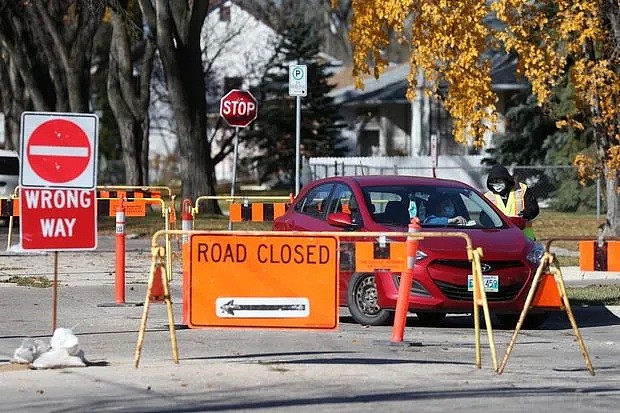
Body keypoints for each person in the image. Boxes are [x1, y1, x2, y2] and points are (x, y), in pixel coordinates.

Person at [484, 164, 539, 240]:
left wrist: (524, 215)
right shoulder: (488, 196)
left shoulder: (521, 189)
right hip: (500, 238)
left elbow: (534, 208)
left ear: (506, 179)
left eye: (499, 181)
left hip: (524, 236)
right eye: (493, 182)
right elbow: (483, 217)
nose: (496, 184)